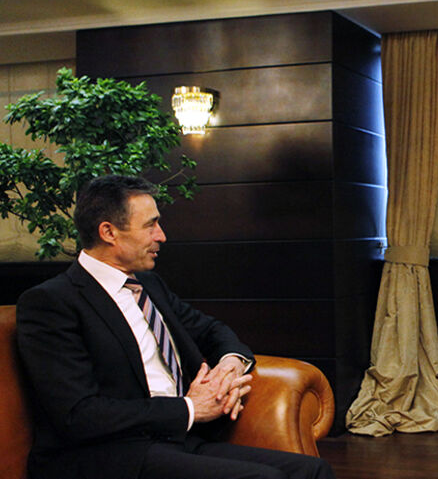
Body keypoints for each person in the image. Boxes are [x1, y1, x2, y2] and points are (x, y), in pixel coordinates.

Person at [16, 175, 334, 479]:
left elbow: (211, 330)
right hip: (106, 455)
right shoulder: (51, 303)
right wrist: (189, 409)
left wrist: (230, 364)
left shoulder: (149, 285)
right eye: (151, 224)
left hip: (177, 442)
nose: (162, 236)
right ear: (109, 232)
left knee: (312, 470)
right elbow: (79, 415)